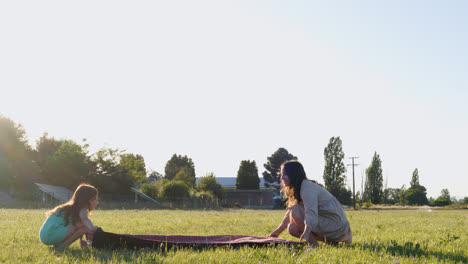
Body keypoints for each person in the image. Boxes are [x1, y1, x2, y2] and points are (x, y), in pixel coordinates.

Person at [268, 160, 352, 247]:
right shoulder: (299, 188)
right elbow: (290, 213)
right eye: (281, 175)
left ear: (293, 175)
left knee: (295, 210)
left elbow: (310, 212)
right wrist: (277, 231)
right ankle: (331, 242)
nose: (282, 178)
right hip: (329, 225)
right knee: (292, 228)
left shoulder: (306, 187)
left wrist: (306, 232)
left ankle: (313, 244)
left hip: (337, 226)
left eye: (285, 174)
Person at [39, 183, 99, 249]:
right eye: (94, 199)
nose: (97, 202)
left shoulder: (70, 207)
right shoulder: (82, 210)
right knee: (85, 227)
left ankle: (58, 245)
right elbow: (86, 220)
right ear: (86, 200)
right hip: (51, 233)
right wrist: (92, 228)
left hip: (44, 235)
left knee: (81, 226)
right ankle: (62, 246)